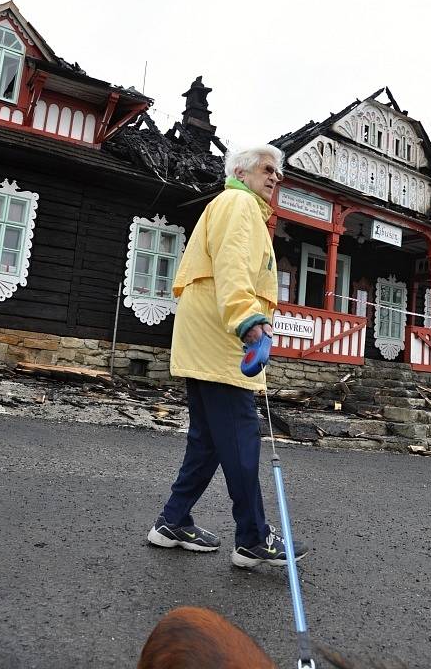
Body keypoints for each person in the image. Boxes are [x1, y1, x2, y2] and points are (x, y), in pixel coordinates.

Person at [147, 145, 308, 568]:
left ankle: (172, 521)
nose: (276, 178)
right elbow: (233, 267)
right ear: (241, 171)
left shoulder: (238, 207)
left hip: (205, 334)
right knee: (239, 433)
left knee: (208, 441)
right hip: (222, 338)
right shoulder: (238, 203)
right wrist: (248, 320)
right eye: (267, 170)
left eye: (279, 172)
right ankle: (253, 537)